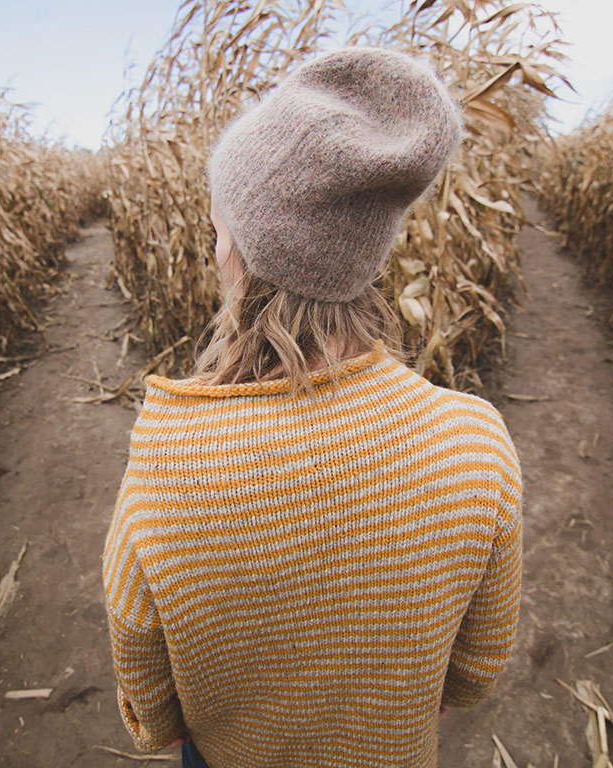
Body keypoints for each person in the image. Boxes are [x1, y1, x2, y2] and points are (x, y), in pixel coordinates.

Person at [101, 45, 523, 768]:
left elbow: (151, 713)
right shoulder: (476, 445)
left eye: (218, 228)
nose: (212, 249)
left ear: (245, 252)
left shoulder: (168, 469)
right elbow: (476, 673)